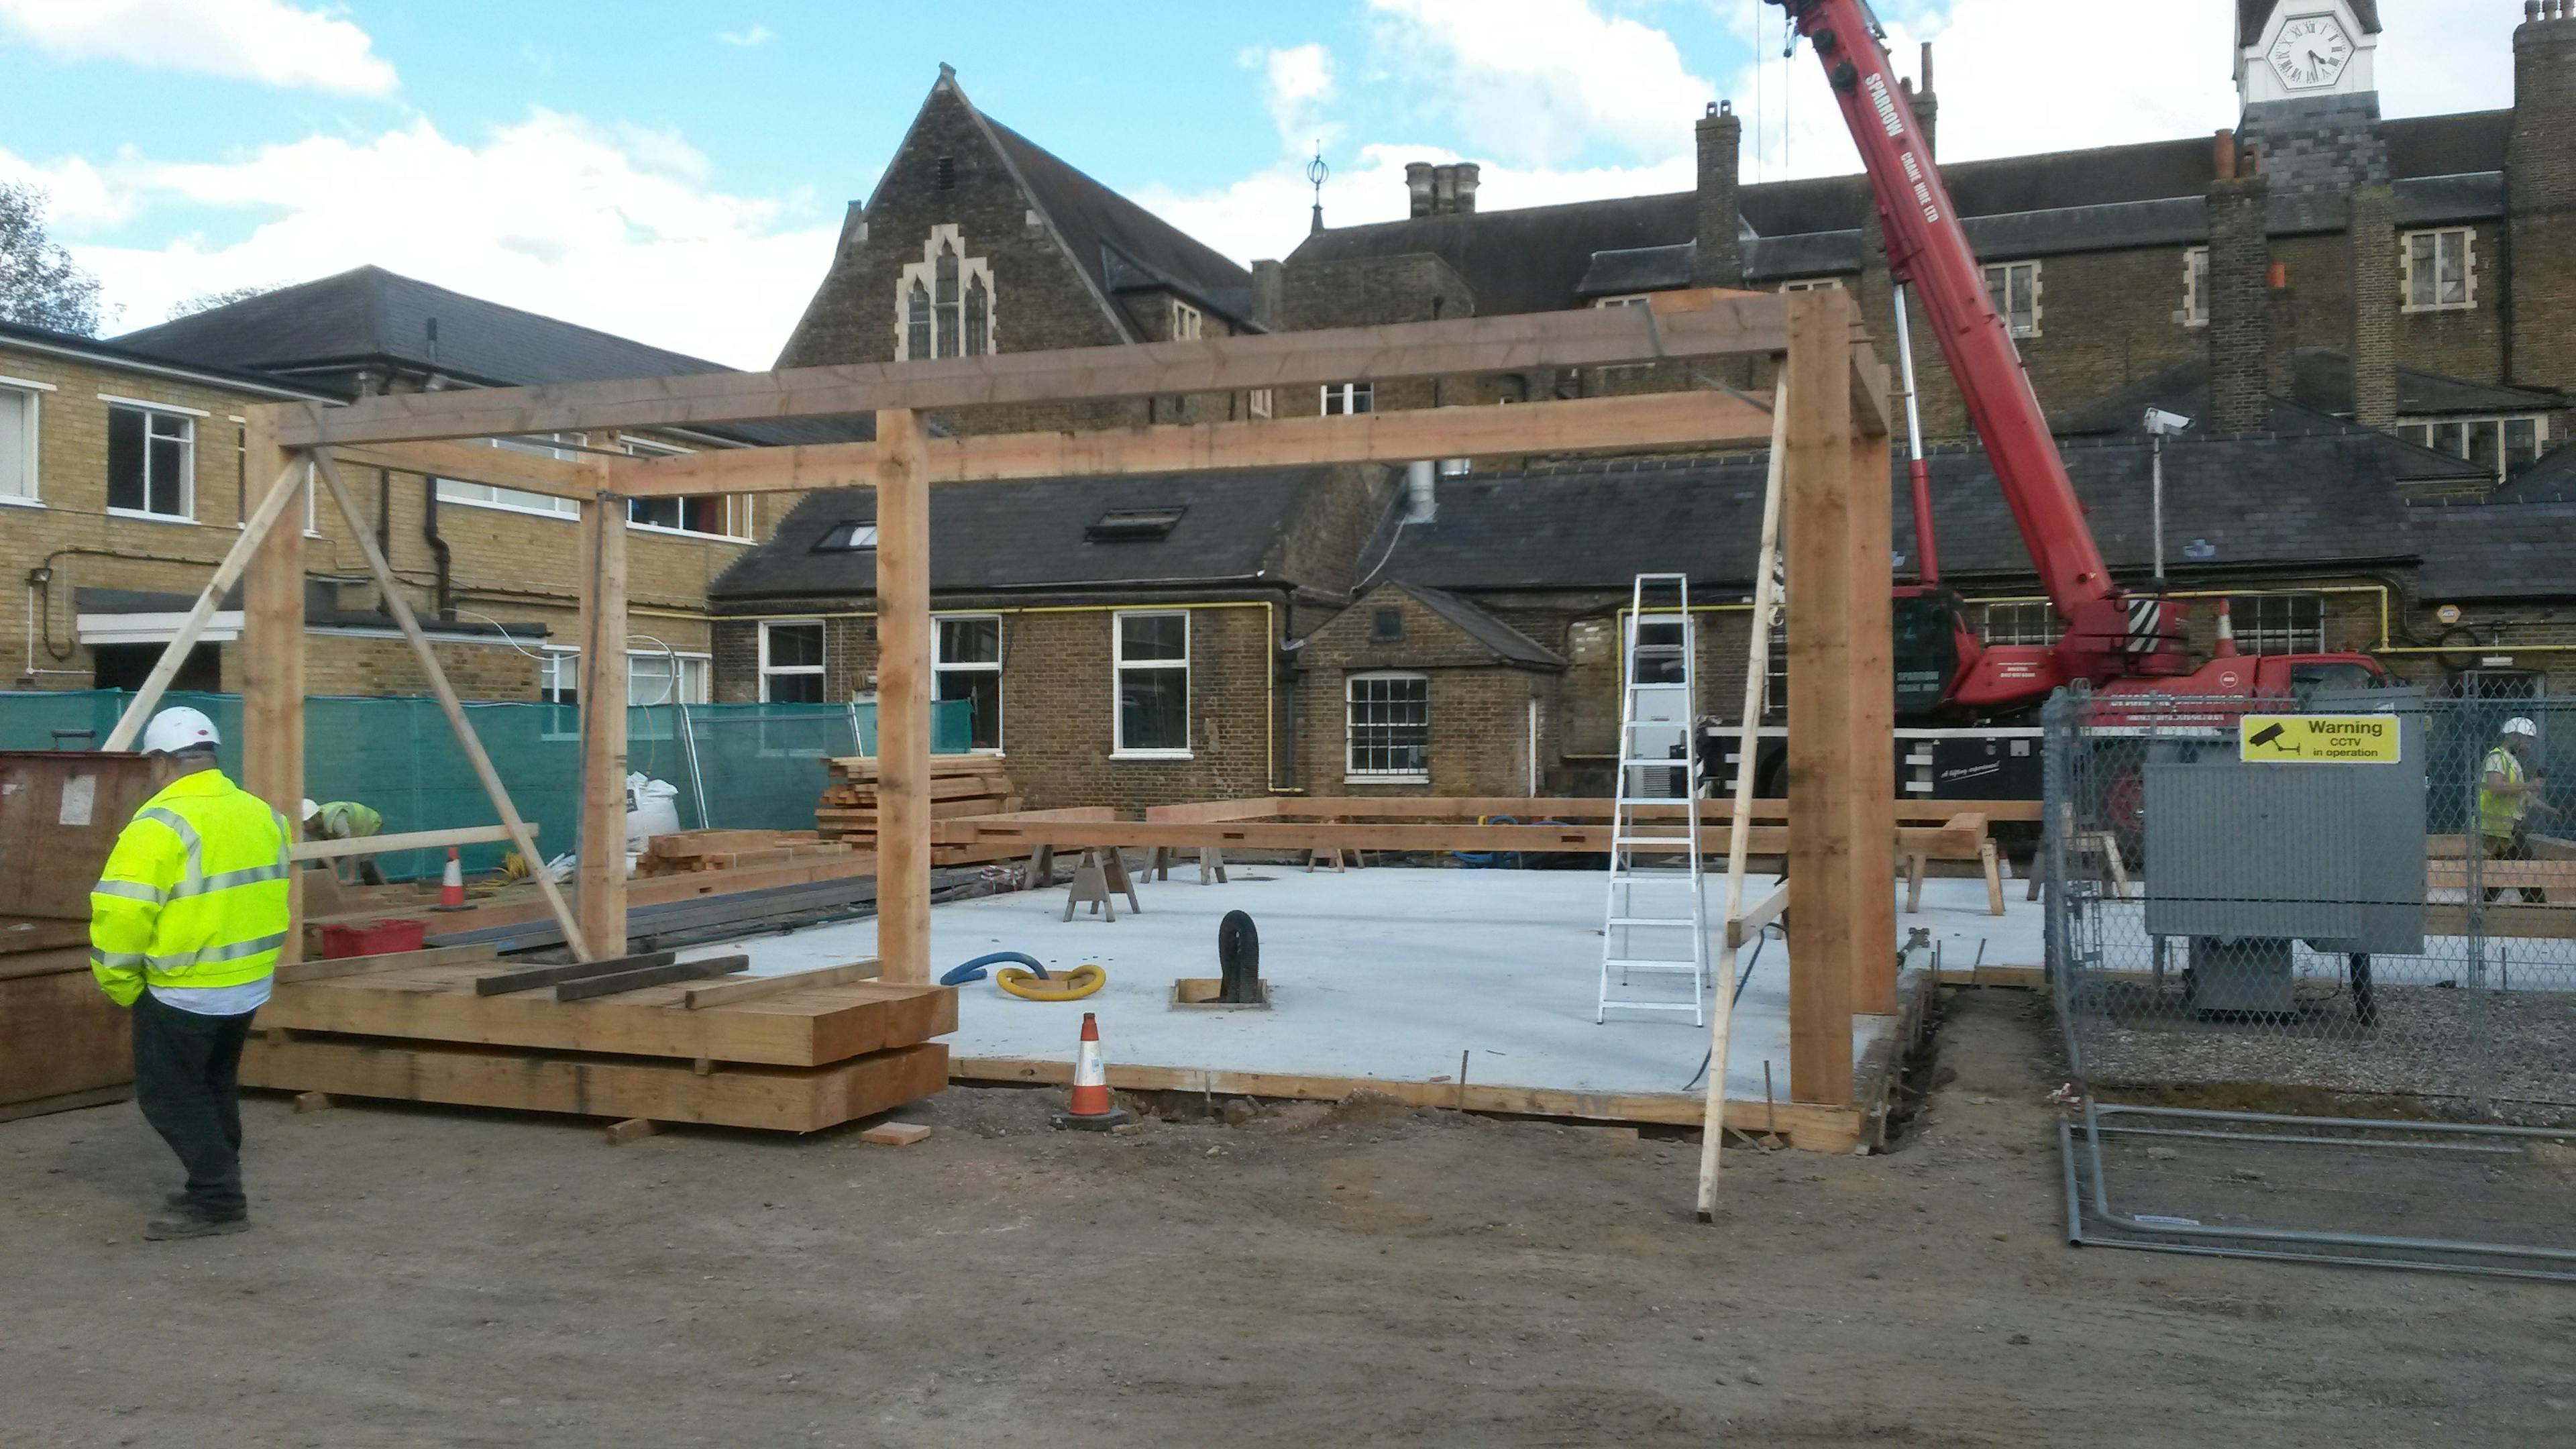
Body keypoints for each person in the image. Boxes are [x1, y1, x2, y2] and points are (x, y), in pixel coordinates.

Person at [91, 706, 292, 1240]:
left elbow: (122, 915)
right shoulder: (264, 815)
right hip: (248, 984)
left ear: (160, 762)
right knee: (214, 1086)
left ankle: (217, 1198)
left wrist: (121, 985)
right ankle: (219, 1180)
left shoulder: (158, 825)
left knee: (171, 1095)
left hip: (184, 991)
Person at [2479, 716, 2557, 905]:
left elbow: (2523, 796)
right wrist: (2527, 785)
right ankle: (2537, 907)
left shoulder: (2511, 761)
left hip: (2506, 827)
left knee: (2508, 870)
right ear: (2515, 737)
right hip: (2498, 828)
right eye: (2528, 739)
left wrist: (2550, 810)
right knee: (2523, 866)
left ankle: (2481, 908)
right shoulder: (2497, 758)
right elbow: (2495, 786)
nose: (2530, 744)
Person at [303, 797, 386, 885]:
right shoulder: (311, 827)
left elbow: (350, 848)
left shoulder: (336, 820)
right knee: (322, 868)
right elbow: (323, 854)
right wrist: (336, 878)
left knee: (366, 866)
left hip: (370, 825)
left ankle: (385, 893)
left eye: (305, 823)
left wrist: (351, 878)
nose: (303, 827)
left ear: (314, 817)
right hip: (347, 833)